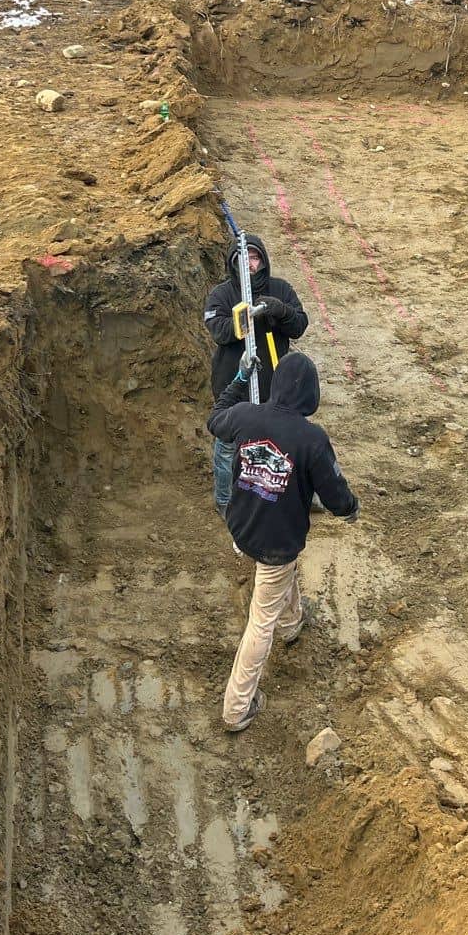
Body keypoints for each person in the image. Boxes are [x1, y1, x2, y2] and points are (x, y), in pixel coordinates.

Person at [206, 351, 358, 731]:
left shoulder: (245, 416)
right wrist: (349, 510)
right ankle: (236, 708)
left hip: (242, 527)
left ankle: (292, 624)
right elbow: (334, 490)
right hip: (276, 543)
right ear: (311, 394)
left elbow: (215, 421)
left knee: (279, 581)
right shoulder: (311, 440)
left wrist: (240, 380)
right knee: (261, 621)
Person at [202, 234, 307, 510]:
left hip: (275, 383)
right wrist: (242, 322)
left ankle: (289, 492)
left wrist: (281, 311)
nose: (250, 263)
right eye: (243, 258)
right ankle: (226, 501)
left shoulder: (281, 289)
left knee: (282, 442)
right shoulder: (220, 295)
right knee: (228, 445)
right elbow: (218, 331)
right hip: (233, 383)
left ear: (263, 260)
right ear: (233, 262)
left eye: (255, 257)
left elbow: (299, 325)